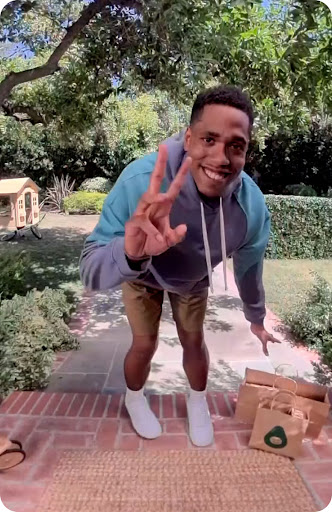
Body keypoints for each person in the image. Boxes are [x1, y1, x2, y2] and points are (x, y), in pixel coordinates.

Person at [80, 85, 280, 447]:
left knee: (193, 341)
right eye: (209, 139)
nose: (221, 158)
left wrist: (256, 317)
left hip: (191, 279)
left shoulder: (251, 210)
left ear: (246, 152)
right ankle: (135, 398)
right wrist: (131, 255)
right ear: (188, 138)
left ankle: (197, 400)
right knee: (145, 343)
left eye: (236, 146)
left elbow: (249, 269)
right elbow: (90, 268)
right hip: (141, 275)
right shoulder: (141, 182)